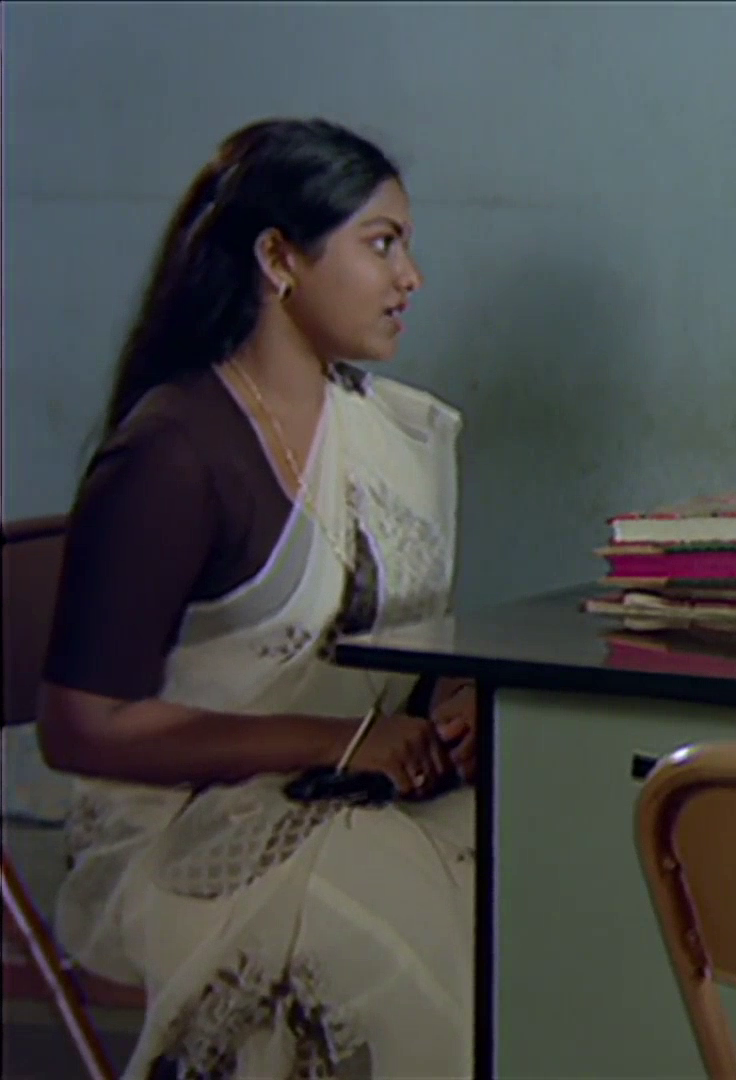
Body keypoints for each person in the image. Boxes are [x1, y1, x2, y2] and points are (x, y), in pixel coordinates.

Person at [37, 119, 475, 1078]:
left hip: (359, 791)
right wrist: (336, 742)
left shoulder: (390, 431)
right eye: (382, 244)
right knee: (400, 944)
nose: (411, 278)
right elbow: (79, 729)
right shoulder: (173, 452)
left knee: (542, 876)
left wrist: (452, 708)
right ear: (279, 259)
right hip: (187, 825)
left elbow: (393, 648)